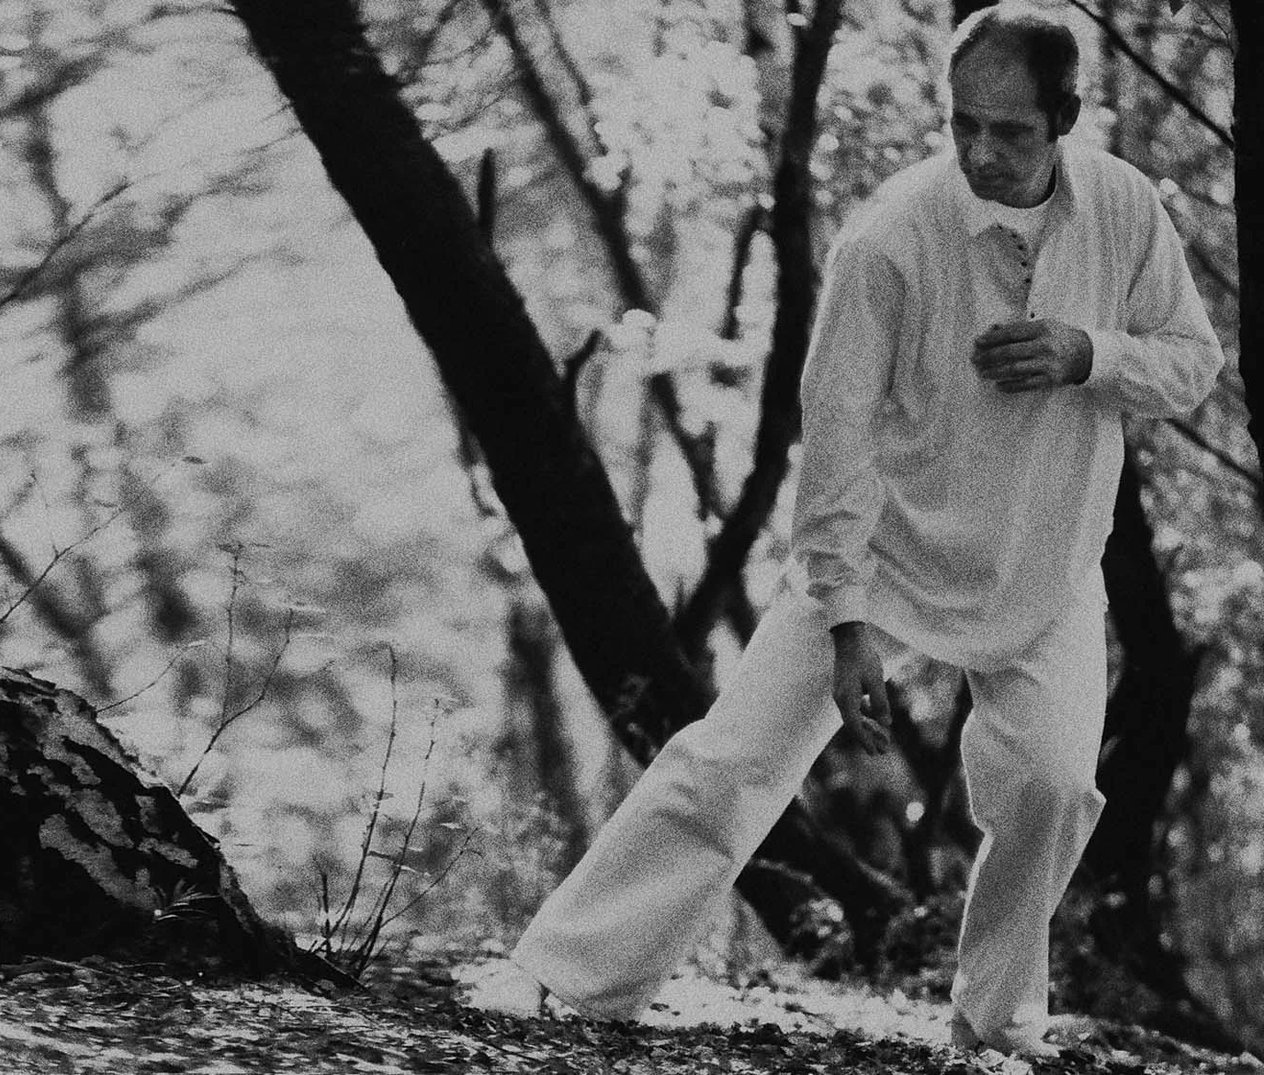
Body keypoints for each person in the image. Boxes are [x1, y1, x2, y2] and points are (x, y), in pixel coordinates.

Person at [510, 2, 1222, 1058]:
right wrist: (845, 620)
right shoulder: (890, 236)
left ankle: (996, 1021)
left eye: (1010, 131)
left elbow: (1193, 362)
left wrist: (1089, 354)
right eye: (961, 123)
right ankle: (560, 972)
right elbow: (835, 436)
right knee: (734, 760)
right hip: (882, 555)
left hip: (1044, 562)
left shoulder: (1122, 208)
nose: (979, 150)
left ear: (1066, 117)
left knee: (1057, 787)